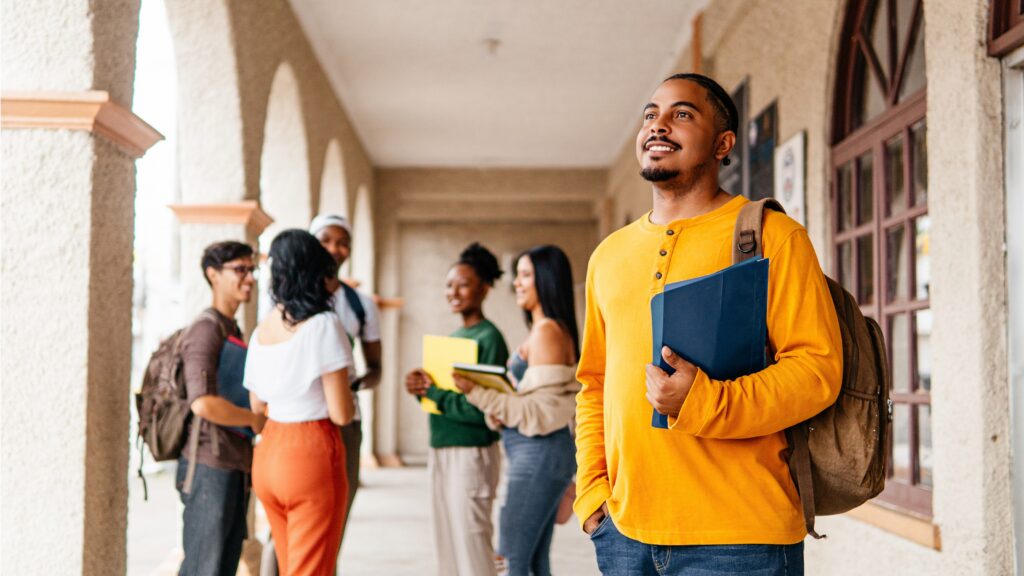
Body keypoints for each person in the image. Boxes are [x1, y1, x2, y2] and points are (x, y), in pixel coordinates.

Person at [573, 73, 843, 575]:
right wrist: (593, 499)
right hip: (623, 535)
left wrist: (702, 402)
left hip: (741, 539)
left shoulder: (773, 236)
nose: (658, 125)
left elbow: (817, 371)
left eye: (682, 114)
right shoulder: (607, 256)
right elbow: (592, 384)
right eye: (651, 114)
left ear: (723, 144)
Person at [454, 245, 580, 576]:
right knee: (533, 561)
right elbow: (532, 404)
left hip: (539, 455)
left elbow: (540, 415)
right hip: (538, 454)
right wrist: (501, 406)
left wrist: (477, 393)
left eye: (526, 276)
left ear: (547, 281)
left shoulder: (548, 332)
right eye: (517, 276)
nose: (517, 284)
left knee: (510, 560)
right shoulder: (546, 330)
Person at [245, 229, 356, 576]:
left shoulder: (262, 330)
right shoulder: (323, 324)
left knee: (290, 563)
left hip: (269, 453)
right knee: (312, 570)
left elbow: (257, 405)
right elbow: (341, 413)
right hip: (311, 452)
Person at [404, 242, 509, 576]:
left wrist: (435, 393)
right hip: (443, 448)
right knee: (447, 545)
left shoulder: (489, 337)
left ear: (484, 288)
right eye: (449, 284)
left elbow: (483, 410)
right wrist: (421, 387)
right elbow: (442, 398)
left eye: (463, 284)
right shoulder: (455, 338)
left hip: (472, 453)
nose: (454, 291)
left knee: (472, 544)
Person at [177, 241, 267, 576]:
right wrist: (255, 420)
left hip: (232, 465)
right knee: (205, 567)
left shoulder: (231, 328)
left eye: (251, 269)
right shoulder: (206, 329)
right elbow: (203, 403)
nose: (249, 278)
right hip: (207, 467)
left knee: (223, 566)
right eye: (240, 269)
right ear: (213, 274)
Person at [309, 213, 382, 537]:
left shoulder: (361, 305)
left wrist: (351, 382)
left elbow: (376, 369)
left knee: (337, 516)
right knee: (300, 515)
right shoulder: (290, 298)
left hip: (346, 419)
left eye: (343, 243)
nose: (334, 249)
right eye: (326, 240)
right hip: (305, 416)